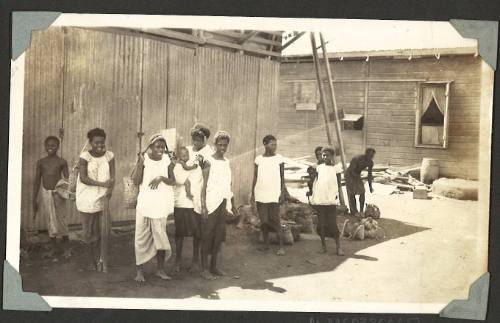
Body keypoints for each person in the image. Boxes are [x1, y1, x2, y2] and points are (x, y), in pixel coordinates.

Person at [133, 134, 176, 282]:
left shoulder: (166, 160)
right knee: (141, 237)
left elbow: (172, 181)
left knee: (160, 236)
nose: (160, 149)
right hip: (145, 204)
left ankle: (160, 270)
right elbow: (136, 181)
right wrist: (140, 163)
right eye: (157, 146)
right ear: (150, 147)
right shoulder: (144, 159)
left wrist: (161, 178)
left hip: (160, 205)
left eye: (163, 147)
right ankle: (139, 272)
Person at [76, 128, 115, 272]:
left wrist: (109, 191)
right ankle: (90, 261)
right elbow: (84, 178)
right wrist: (103, 184)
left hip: (102, 198)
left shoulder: (110, 156)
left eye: (102, 142)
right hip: (86, 198)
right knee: (88, 232)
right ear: (90, 142)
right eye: (96, 142)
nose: (100, 145)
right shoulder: (85, 156)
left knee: (102, 232)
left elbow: (113, 177)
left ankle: (101, 260)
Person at [200, 131, 233, 280]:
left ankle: (214, 266)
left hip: (222, 202)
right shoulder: (207, 161)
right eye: (219, 144)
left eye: (225, 145)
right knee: (207, 236)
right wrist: (204, 205)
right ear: (214, 145)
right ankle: (204, 269)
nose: (222, 147)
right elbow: (203, 185)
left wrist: (229, 204)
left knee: (218, 236)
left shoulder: (227, 162)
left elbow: (228, 184)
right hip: (210, 202)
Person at [33, 136, 71, 258]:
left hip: (58, 194)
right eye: (48, 145)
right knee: (50, 220)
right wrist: (34, 199)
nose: (50, 148)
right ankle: (53, 249)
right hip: (46, 194)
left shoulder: (62, 162)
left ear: (58, 147)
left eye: (53, 145)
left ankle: (66, 249)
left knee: (61, 220)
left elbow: (67, 181)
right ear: (45, 147)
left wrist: (69, 191)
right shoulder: (41, 162)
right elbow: (37, 181)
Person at [185, 123, 214, 273]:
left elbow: (207, 177)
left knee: (205, 231)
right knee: (196, 232)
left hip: (204, 196)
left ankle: (205, 265)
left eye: (199, 140)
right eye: (194, 139)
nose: (196, 142)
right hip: (191, 196)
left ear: (205, 140)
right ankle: (195, 260)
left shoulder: (208, 154)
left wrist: (203, 202)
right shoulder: (189, 151)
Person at [251, 134, 286, 256]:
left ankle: (281, 247)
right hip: (261, 193)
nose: (274, 147)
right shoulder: (258, 159)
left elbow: (282, 177)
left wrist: (282, 192)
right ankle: (266, 245)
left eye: (275, 144)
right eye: (272, 144)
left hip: (273, 194)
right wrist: (252, 194)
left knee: (275, 220)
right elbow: (255, 177)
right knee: (264, 221)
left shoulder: (279, 159)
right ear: (265, 144)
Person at [307, 147, 344, 255]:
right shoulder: (319, 167)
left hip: (330, 200)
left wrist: (336, 196)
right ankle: (323, 247)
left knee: (332, 224)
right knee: (321, 224)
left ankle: (338, 247)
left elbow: (338, 184)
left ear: (332, 156)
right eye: (323, 155)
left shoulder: (336, 168)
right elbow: (311, 175)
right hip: (320, 200)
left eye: (327, 155)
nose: (325, 157)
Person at [172, 146, 199, 273]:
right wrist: (189, 194)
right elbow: (185, 182)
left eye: (186, 154)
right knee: (180, 234)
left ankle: (194, 261)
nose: (185, 156)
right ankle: (178, 261)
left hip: (191, 205)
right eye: (182, 155)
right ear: (178, 157)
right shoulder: (178, 167)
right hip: (182, 204)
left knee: (195, 233)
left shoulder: (187, 165)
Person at [345, 148, 376, 216]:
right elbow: (352, 170)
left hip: (357, 175)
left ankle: (361, 211)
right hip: (349, 174)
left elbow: (369, 175)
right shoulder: (357, 158)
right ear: (366, 154)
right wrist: (357, 181)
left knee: (362, 192)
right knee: (352, 193)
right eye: (370, 155)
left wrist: (370, 187)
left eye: (372, 156)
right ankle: (354, 211)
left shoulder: (370, 162)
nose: (371, 157)